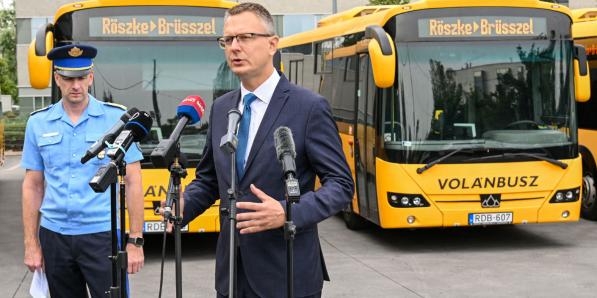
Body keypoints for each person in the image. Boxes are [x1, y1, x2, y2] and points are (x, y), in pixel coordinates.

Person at [171, 3, 354, 297]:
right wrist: (182, 206)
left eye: (244, 37)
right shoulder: (221, 109)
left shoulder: (308, 107)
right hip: (232, 275)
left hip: (287, 273)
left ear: (272, 44)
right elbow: (209, 180)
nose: (234, 47)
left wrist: (287, 212)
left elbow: (341, 185)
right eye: (227, 40)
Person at [21, 44, 145, 297]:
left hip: (102, 235)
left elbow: (133, 181)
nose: (75, 85)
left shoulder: (117, 120)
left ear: (90, 77)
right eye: (68, 78)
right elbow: (33, 185)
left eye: (81, 78)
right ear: (57, 79)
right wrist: (31, 243)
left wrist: (135, 240)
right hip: (55, 236)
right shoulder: (37, 123)